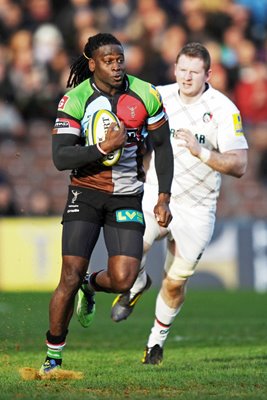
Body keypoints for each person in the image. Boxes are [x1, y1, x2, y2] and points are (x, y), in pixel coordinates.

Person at [40, 32, 173, 374]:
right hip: (84, 194)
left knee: (124, 278)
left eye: (120, 60)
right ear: (93, 64)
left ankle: (92, 283)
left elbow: (163, 146)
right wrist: (101, 149)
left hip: (127, 195)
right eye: (108, 61)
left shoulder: (146, 94)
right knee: (68, 275)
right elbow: (60, 157)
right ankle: (53, 356)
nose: (116, 67)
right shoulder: (75, 100)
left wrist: (163, 196)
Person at [110, 42, 248, 364]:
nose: (187, 78)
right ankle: (139, 281)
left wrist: (202, 152)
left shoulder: (224, 109)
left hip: (198, 208)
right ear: (174, 69)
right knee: (131, 250)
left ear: (208, 74)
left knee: (175, 282)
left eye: (194, 72)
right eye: (182, 70)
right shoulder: (159, 96)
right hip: (158, 195)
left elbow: (239, 165)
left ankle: (156, 341)